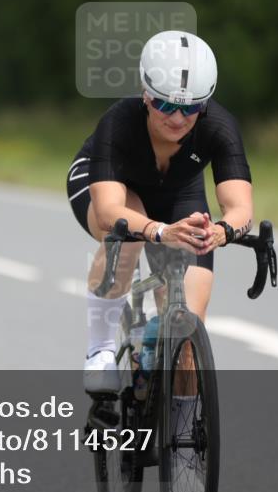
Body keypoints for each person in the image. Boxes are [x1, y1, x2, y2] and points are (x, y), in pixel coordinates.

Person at [68, 31, 254, 393]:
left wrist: (221, 231)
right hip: (115, 187)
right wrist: (160, 232)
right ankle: (100, 350)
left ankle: (175, 412)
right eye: (165, 105)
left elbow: (240, 207)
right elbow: (108, 212)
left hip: (178, 193)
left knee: (187, 330)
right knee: (125, 236)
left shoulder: (219, 125)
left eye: (191, 108)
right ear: (145, 93)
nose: (178, 118)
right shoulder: (119, 121)